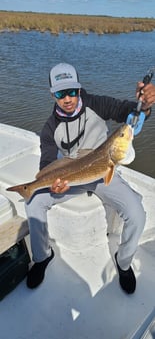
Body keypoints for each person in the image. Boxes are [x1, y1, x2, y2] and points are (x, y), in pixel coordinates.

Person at [25, 63, 155, 293]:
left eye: (72, 91)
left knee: (137, 214)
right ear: (52, 94)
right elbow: (47, 163)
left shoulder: (96, 104)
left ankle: (123, 263)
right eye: (60, 93)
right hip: (70, 179)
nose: (67, 98)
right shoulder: (49, 128)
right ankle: (42, 257)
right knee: (34, 203)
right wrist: (54, 185)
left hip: (104, 172)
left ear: (79, 88)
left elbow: (127, 113)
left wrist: (144, 106)